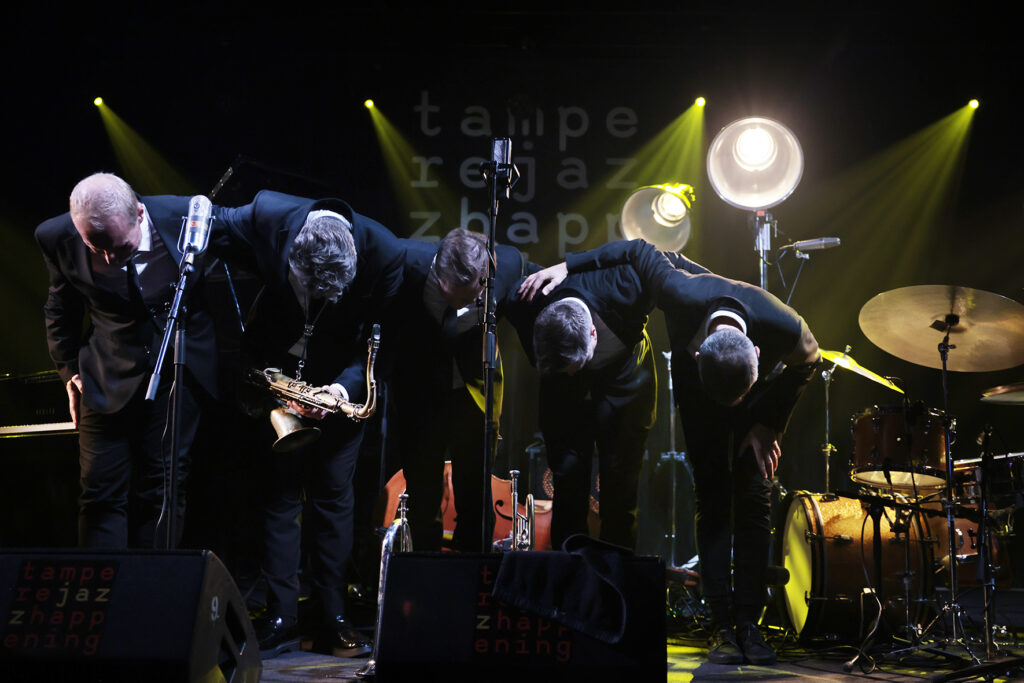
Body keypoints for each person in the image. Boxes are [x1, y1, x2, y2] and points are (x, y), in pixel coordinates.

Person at [520, 238, 820, 665]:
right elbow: (640, 249)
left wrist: (769, 424)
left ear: (758, 351)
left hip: (754, 397)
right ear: (697, 353)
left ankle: (750, 623)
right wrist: (569, 266)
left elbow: (811, 358)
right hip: (701, 394)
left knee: (754, 499)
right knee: (713, 496)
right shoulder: (680, 290)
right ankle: (721, 624)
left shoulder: (781, 323)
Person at [218, 190, 404, 659]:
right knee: (278, 500)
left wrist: (339, 392)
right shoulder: (267, 216)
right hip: (275, 382)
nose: (314, 300)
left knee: (333, 504)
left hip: (338, 390)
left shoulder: (385, 254)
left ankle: (331, 617)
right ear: (295, 250)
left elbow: (376, 344)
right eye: (307, 286)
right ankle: (281, 616)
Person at [35, 172, 218, 550]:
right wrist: (69, 370)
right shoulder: (54, 236)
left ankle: (153, 596)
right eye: (96, 247)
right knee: (100, 495)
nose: (109, 258)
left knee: (163, 492)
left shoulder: (184, 215)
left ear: (139, 213)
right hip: (104, 374)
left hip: (174, 373)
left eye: (119, 247)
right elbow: (59, 306)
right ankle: (102, 599)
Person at [390, 228, 537, 552]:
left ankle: (472, 575)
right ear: (437, 274)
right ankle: (425, 573)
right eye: (452, 295)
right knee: (423, 493)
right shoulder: (405, 261)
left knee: (475, 494)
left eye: (470, 296)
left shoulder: (506, 266)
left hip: (475, 394)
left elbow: (535, 281)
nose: (461, 304)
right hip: (420, 394)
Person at [504, 260, 658, 551]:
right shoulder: (524, 302)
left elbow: (646, 255)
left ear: (593, 333)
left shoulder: (626, 291)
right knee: (567, 486)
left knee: (620, 490)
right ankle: (570, 574)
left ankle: (617, 579)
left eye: (579, 364)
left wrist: (570, 265)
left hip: (625, 385)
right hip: (562, 393)